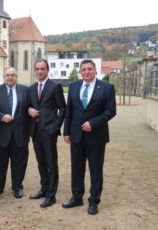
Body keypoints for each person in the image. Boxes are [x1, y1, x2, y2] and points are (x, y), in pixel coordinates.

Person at [62, 59, 116, 215]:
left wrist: (93, 123)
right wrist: (66, 132)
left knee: (95, 170)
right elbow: (69, 112)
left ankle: (94, 201)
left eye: (89, 69)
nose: (86, 72)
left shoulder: (106, 88)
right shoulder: (73, 87)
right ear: (80, 71)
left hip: (96, 137)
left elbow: (110, 111)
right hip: (76, 136)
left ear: (95, 71)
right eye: (84, 69)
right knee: (76, 168)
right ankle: (77, 197)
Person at [28, 59, 66, 208]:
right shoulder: (31, 89)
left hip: (49, 131)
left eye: (42, 69)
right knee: (41, 163)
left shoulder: (55, 87)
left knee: (51, 163)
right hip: (35, 131)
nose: (40, 72)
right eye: (37, 69)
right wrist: (28, 110)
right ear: (34, 71)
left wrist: (55, 127)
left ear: (47, 70)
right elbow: (28, 106)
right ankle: (44, 189)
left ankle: (51, 195)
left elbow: (63, 109)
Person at [0, 67, 30, 199]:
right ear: (3, 76)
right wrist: (1, 116)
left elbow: (29, 106)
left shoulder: (25, 90)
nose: (10, 77)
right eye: (7, 75)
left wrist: (30, 110)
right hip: (0, 133)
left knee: (19, 163)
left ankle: (17, 187)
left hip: (20, 133)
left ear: (16, 76)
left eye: (12, 75)